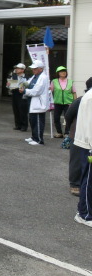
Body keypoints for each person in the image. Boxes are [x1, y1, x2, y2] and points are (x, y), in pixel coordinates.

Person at [64, 77, 92, 197]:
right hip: (77, 134)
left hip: (88, 136)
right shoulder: (82, 99)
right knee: (76, 160)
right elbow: (68, 115)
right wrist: (69, 129)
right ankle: (75, 184)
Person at [73, 79, 92, 228]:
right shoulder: (91, 97)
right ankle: (83, 214)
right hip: (89, 145)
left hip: (88, 143)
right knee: (88, 180)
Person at [20, 60, 50, 146]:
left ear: (41, 69)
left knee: (38, 122)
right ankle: (34, 137)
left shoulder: (43, 77)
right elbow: (28, 83)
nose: (33, 70)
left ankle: (39, 140)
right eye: (33, 69)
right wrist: (23, 85)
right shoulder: (35, 76)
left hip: (39, 103)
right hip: (32, 101)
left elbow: (37, 91)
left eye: (35, 69)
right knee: (32, 120)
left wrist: (25, 90)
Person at [50, 66, 76, 138]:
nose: (63, 72)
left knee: (68, 117)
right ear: (58, 73)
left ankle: (67, 132)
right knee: (56, 118)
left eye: (64, 71)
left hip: (68, 103)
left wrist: (75, 103)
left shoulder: (70, 82)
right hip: (57, 103)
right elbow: (50, 92)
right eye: (61, 71)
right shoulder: (54, 81)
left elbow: (74, 93)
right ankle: (59, 132)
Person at [7, 63, 29, 132]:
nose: (16, 70)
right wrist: (9, 85)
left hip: (22, 94)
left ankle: (24, 125)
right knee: (15, 109)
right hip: (15, 93)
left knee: (23, 110)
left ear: (23, 70)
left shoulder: (27, 77)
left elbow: (28, 85)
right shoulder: (13, 76)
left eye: (18, 68)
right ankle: (18, 125)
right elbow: (8, 85)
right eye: (16, 68)